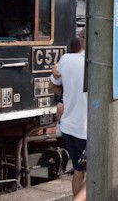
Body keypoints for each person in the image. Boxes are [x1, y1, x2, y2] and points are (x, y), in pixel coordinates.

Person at [49, 28, 86, 201]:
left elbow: (53, 87)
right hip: (87, 130)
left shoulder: (65, 59)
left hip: (68, 127)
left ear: (81, 39)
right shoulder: (99, 63)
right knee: (96, 174)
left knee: (79, 170)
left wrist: (69, 93)